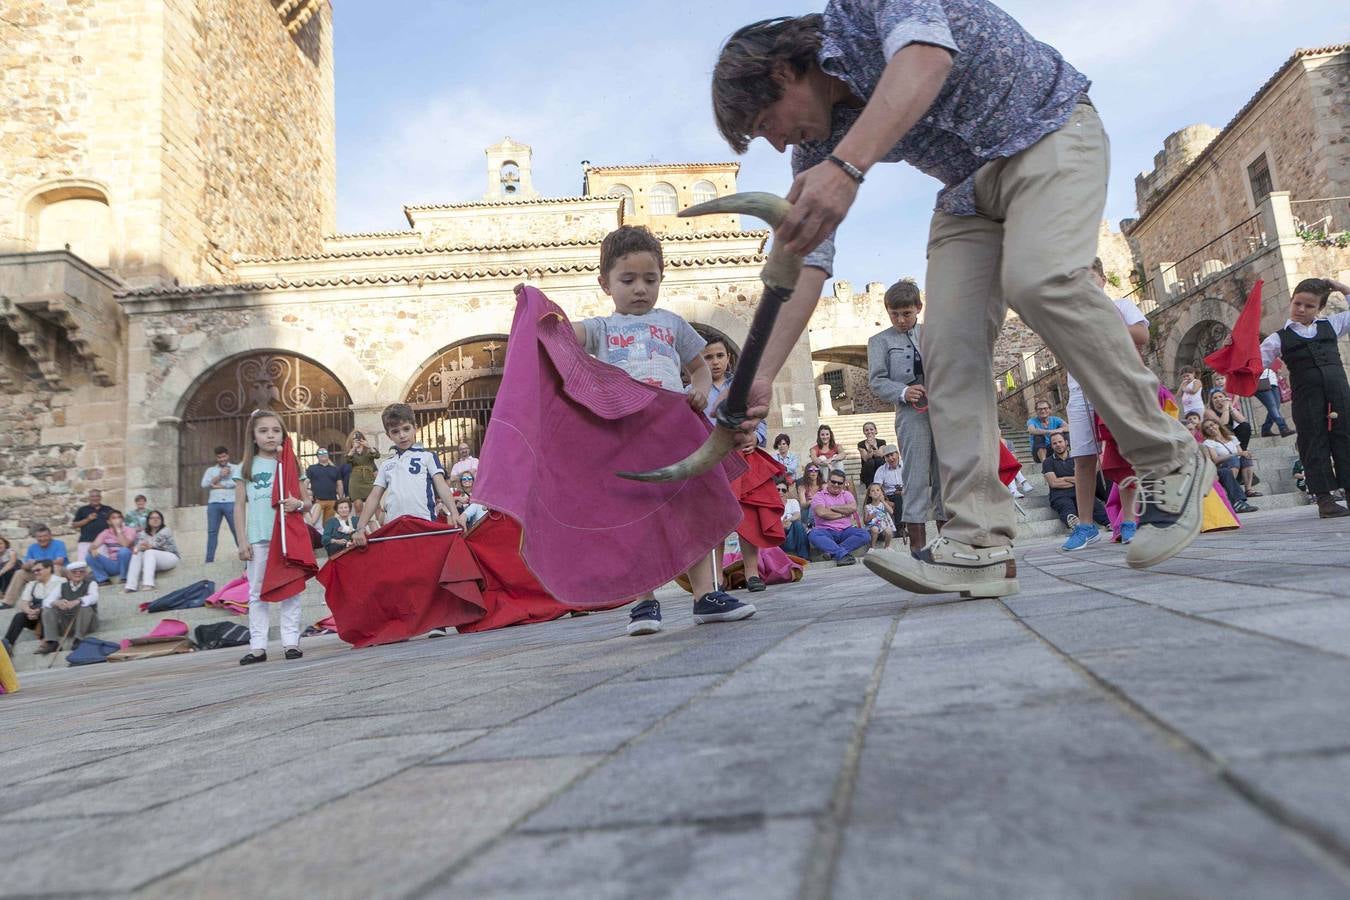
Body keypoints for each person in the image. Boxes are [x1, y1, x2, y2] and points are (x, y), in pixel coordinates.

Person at [709, 7, 1213, 596]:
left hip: (1050, 131)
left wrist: (848, 169)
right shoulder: (818, 146)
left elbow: (925, 57)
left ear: (784, 72)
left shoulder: (862, 12)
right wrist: (762, 376)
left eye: (766, 122)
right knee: (944, 351)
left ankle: (1170, 457)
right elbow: (809, 265)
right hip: (969, 195)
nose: (775, 143)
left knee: (1041, 279)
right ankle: (978, 543)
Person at [555, 225, 754, 635]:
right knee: (636, 515)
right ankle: (645, 603)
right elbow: (560, 334)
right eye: (627, 280)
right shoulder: (601, 329)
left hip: (672, 430)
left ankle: (704, 596)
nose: (640, 289)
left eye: (651, 279)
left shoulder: (674, 323)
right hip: (626, 434)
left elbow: (698, 367)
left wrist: (699, 390)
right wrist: (536, 312)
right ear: (605, 284)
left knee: (690, 505)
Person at [1061, 257, 1151, 551]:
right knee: (1083, 457)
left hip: (1117, 387)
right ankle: (1086, 525)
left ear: (1102, 278)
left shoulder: (1121, 306)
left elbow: (1142, 334)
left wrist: (1105, 328)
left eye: (1090, 277)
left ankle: (1128, 520)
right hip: (1081, 389)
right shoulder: (1070, 314)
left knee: (1123, 453)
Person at [1259, 278, 1350, 518]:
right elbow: (1252, 364)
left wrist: (1343, 290)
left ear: (1319, 309)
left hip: (1339, 393)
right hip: (1307, 398)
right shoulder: (1277, 339)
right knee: (1313, 443)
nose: (1301, 309)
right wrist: (1234, 347)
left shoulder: (1331, 325)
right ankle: (1324, 500)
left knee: (1345, 439)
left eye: (1309, 306)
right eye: (1298, 303)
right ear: (1291, 301)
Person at [867, 279, 943, 551]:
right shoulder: (879, 341)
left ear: (919, 308)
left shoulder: (933, 333)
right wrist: (902, 392)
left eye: (906, 313)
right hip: (911, 416)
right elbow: (876, 381)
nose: (900, 319)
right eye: (894, 314)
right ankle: (917, 549)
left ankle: (947, 543)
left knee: (945, 476)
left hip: (943, 412)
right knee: (915, 477)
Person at [234, 409, 313, 665]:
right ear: (253, 436)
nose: (270, 436)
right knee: (256, 592)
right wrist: (242, 541)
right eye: (263, 431)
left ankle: (291, 642)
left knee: (290, 590)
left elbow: (308, 502)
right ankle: (257, 646)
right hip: (258, 537)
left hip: (285, 538)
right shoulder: (245, 467)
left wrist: (296, 504)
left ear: (283, 434)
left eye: (275, 430)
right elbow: (239, 506)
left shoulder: (290, 464)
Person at [354, 404, 465, 540]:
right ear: (389, 435)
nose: (402, 435)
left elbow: (441, 486)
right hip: (395, 526)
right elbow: (374, 496)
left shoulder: (428, 457)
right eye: (395, 431)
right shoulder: (386, 464)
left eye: (406, 429)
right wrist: (360, 528)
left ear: (415, 428)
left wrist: (454, 513)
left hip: (424, 524)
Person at [704, 337, 768, 446]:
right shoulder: (691, 391)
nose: (715, 362)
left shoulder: (744, 387)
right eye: (709, 357)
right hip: (708, 456)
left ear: (728, 357)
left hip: (741, 454)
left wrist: (755, 438)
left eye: (720, 355)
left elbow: (760, 420)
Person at [1042, 433, 1108, 531]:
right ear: (1052, 446)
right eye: (1054, 443)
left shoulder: (1077, 459)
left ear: (1066, 442)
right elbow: (1054, 483)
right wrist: (1077, 479)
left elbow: (1087, 477)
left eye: (1060, 442)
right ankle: (1075, 524)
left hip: (1079, 491)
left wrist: (1065, 478)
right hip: (1059, 495)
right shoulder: (1048, 462)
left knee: (1093, 504)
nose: (1058, 445)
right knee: (1066, 507)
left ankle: (1108, 523)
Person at [808, 468, 871, 565]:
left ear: (843, 484)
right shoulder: (819, 496)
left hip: (846, 530)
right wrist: (843, 514)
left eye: (839, 483)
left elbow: (853, 507)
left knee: (865, 534)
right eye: (833, 481)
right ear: (828, 481)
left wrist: (832, 507)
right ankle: (842, 554)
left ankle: (834, 552)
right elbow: (822, 513)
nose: (836, 485)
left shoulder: (847, 494)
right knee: (813, 535)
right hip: (825, 531)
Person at [36, 559, 98, 654]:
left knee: (86, 607)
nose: (78, 574)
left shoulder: (91, 584)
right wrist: (56, 603)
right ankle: (52, 642)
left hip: (87, 624)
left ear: (85, 573)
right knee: (48, 609)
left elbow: (93, 598)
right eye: (74, 572)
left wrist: (78, 601)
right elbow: (46, 601)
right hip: (67, 623)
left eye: (81, 571)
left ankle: (78, 639)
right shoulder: (62, 586)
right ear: (68, 574)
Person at [2, 559, 63, 655]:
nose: (35, 573)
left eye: (38, 570)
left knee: (46, 610)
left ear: (48, 569)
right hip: (36, 616)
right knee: (19, 617)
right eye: (34, 571)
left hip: (55, 618)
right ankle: (7, 644)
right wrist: (29, 611)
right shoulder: (32, 584)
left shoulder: (60, 582)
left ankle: (49, 642)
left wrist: (39, 610)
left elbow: (58, 603)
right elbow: (24, 602)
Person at [1200, 420, 1259, 514]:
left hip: (1237, 467)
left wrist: (1245, 454)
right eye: (1207, 428)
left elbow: (1241, 453)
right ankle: (1234, 497)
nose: (1210, 428)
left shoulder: (1232, 438)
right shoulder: (1208, 442)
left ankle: (1248, 489)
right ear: (1205, 432)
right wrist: (1234, 454)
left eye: (1212, 425)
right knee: (1234, 458)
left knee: (1245, 458)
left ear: (1217, 424)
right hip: (1222, 467)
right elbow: (1215, 460)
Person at [1, 526, 68, 608]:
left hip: (60, 571)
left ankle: (54, 598)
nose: (42, 539)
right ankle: (8, 602)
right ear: (36, 538)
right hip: (40, 572)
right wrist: (28, 565)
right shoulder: (32, 547)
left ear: (50, 536)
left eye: (45, 536)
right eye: (39, 537)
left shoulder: (59, 544)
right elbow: (24, 565)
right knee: (20, 573)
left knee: (55, 567)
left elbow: (59, 561)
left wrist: (38, 562)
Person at [201, 446, 241, 563]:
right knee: (212, 532)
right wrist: (220, 476)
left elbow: (239, 482)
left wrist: (221, 485)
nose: (222, 459)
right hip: (214, 504)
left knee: (236, 530)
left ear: (228, 456)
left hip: (231, 502)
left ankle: (246, 557)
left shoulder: (236, 468)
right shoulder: (210, 470)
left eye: (224, 456)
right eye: (219, 457)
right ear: (216, 458)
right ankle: (209, 561)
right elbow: (204, 484)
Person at [124, 511, 180, 592]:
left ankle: (148, 584)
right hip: (151, 560)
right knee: (137, 554)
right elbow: (138, 547)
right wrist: (138, 548)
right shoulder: (143, 533)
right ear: (148, 520)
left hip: (170, 557)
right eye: (152, 518)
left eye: (158, 518)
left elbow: (155, 544)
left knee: (149, 551)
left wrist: (144, 546)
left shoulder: (166, 530)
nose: (155, 520)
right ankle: (130, 586)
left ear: (161, 520)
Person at [85, 511, 136, 585]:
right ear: (109, 522)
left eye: (119, 517)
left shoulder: (130, 530)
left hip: (127, 563)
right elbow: (93, 545)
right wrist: (93, 549)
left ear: (122, 520)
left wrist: (118, 530)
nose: (117, 520)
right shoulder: (106, 532)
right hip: (113, 564)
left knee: (124, 551)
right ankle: (103, 579)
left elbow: (125, 545)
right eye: (114, 518)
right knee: (89, 556)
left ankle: (124, 577)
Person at [70, 489, 117, 563]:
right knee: (83, 565)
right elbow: (74, 525)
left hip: (103, 543)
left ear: (100, 497)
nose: (95, 498)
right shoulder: (83, 509)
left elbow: (117, 521)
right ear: (89, 498)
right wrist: (88, 519)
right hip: (85, 542)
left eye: (97, 496)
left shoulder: (108, 509)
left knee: (103, 565)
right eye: (93, 496)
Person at [344, 430, 380, 518]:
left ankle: (382, 526)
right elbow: (347, 460)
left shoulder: (368, 450)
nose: (357, 440)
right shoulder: (351, 452)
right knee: (358, 505)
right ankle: (361, 528)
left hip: (369, 479)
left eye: (358, 438)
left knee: (376, 505)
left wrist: (368, 446)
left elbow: (377, 455)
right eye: (354, 439)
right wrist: (353, 448)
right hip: (356, 481)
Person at [305, 448, 345, 526]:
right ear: (317, 456)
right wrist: (304, 496)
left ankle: (326, 538)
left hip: (332, 501)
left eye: (325, 452)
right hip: (317, 502)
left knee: (328, 525)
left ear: (328, 455)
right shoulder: (312, 468)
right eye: (320, 452)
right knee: (314, 524)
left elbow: (339, 484)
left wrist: (341, 499)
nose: (323, 454)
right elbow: (306, 482)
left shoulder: (335, 469)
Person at [1255, 366, 1294, 438]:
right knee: (1272, 406)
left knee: (1276, 406)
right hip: (1261, 382)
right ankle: (1283, 427)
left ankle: (1266, 429)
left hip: (1273, 382)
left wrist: (1276, 369)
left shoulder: (1268, 356)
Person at [870, 444, 904, 521]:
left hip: (907, 493)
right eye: (887, 456)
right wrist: (884, 500)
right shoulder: (881, 470)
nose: (890, 458)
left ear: (897, 454)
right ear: (884, 458)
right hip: (890, 496)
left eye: (892, 455)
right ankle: (900, 527)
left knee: (901, 498)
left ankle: (900, 526)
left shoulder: (906, 465)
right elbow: (876, 487)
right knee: (898, 499)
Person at [777, 478, 810, 558]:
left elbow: (797, 515)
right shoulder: (769, 505)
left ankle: (803, 556)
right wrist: (781, 525)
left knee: (797, 523)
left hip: (793, 535)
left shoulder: (793, 502)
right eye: (778, 490)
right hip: (779, 537)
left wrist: (789, 520)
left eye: (783, 490)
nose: (780, 492)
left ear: (787, 493)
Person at [863, 483, 896, 549]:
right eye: (872, 491)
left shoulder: (884, 504)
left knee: (889, 531)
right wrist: (870, 517)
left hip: (884, 526)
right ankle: (872, 547)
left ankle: (887, 547)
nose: (875, 492)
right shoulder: (867, 507)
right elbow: (865, 521)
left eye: (878, 490)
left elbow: (891, 512)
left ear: (881, 493)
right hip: (872, 528)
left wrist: (883, 501)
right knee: (875, 529)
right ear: (869, 494)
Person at [856, 420, 886, 486]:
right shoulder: (861, 444)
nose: (869, 432)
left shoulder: (882, 442)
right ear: (864, 432)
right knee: (870, 461)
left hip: (879, 466)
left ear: (875, 431)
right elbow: (865, 458)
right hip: (867, 471)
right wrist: (869, 449)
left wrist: (874, 446)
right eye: (866, 430)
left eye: (871, 429)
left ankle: (881, 482)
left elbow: (880, 455)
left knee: (878, 460)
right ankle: (870, 485)